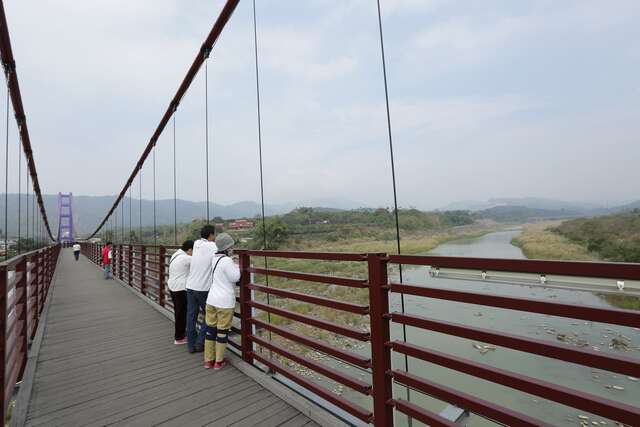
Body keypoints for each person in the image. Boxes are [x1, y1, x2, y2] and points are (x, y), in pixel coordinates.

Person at [204, 233, 240, 370]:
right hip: (224, 301)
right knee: (222, 332)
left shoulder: (214, 259)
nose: (233, 248)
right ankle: (218, 361)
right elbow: (235, 277)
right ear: (227, 247)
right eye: (231, 246)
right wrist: (237, 266)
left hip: (211, 299)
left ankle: (208, 360)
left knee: (210, 331)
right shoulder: (226, 261)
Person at [184, 225, 217, 353]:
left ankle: (191, 345)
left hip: (190, 286)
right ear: (210, 235)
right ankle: (200, 342)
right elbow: (220, 257)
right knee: (210, 314)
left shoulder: (197, 243)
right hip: (203, 288)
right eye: (214, 235)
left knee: (191, 315)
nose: (215, 237)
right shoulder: (212, 246)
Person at [167, 240, 193, 345]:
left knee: (179, 312)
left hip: (172, 287)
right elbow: (201, 261)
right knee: (181, 314)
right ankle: (179, 337)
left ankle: (181, 335)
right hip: (180, 289)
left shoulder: (176, 254)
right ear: (190, 249)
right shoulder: (185, 258)